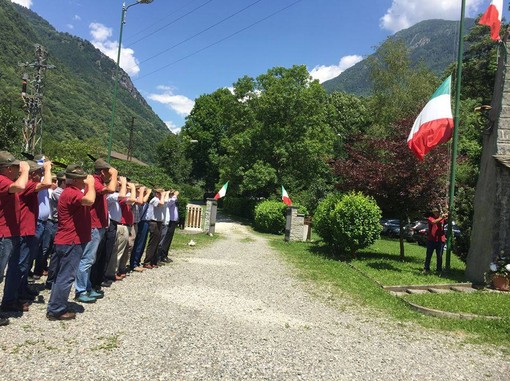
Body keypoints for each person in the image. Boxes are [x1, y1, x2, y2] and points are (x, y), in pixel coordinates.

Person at [2, 160, 52, 312]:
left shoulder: (26, 183)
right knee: (19, 267)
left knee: (22, 266)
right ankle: (11, 299)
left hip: (26, 229)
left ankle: (18, 294)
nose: (40, 176)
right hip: (24, 230)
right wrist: (47, 168)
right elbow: (48, 184)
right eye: (38, 173)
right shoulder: (27, 184)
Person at [46, 165, 96, 320]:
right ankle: (56, 309)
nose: (84, 181)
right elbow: (89, 200)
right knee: (66, 276)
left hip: (66, 240)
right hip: (71, 241)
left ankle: (56, 304)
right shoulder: (72, 193)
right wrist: (91, 184)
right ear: (74, 180)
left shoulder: (70, 192)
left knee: (61, 275)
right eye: (82, 179)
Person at [74, 158, 117, 303]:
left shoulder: (98, 182)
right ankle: (80, 290)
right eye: (109, 171)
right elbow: (111, 189)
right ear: (103, 172)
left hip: (99, 226)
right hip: (94, 226)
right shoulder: (96, 182)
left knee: (91, 259)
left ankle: (87, 286)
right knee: (87, 259)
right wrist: (115, 173)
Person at [0, 152, 29, 325]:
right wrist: (25, 171)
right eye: (17, 167)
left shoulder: (6, 181)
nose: (19, 170)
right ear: (8, 168)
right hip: (3, 235)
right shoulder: (2, 180)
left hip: (9, 234)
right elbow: (20, 187)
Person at [45, 172, 66, 290]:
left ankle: (55, 278)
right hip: (55, 224)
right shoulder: (57, 192)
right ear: (62, 182)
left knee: (58, 253)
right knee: (55, 253)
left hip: (60, 224)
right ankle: (50, 280)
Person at [143, 189, 167, 268]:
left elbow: (164, 202)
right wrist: (163, 195)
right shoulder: (155, 200)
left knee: (157, 243)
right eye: (160, 193)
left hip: (159, 222)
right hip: (154, 222)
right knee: (153, 243)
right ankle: (147, 261)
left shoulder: (159, 199)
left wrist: (164, 195)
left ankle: (153, 261)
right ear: (157, 194)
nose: (162, 195)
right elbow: (161, 203)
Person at [423, 207, 448, 274]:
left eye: (437, 212)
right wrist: (441, 217)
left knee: (439, 256)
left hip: (440, 241)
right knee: (429, 255)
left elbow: (448, 217)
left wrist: (446, 210)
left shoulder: (443, 219)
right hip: (431, 240)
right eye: (435, 212)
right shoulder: (430, 218)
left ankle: (439, 269)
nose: (436, 213)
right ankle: (426, 268)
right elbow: (434, 222)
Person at [158, 189, 179, 263]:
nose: (173, 195)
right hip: (169, 221)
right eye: (172, 193)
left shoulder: (172, 200)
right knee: (165, 239)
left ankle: (165, 254)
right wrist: (175, 195)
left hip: (173, 221)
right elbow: (171, 202)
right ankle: (162, 255)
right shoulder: (168, 201)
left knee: (169, 239)